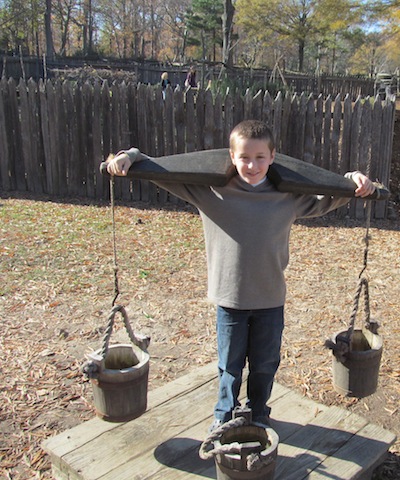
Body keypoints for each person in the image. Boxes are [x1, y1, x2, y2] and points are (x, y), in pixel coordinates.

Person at [106, 120, 375, 431]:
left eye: (260, 157)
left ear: (273, 157)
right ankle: (224, 415)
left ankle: (259, 413)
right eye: (244, 157)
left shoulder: (288, 196)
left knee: (264, 366)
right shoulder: (210, 192)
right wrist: (131, 155)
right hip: (230, 300)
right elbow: (157, 172)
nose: (252, 164)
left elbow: (330, 195)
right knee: (230, 367)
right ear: (231, 157)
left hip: (270, 300)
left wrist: (353, 180)